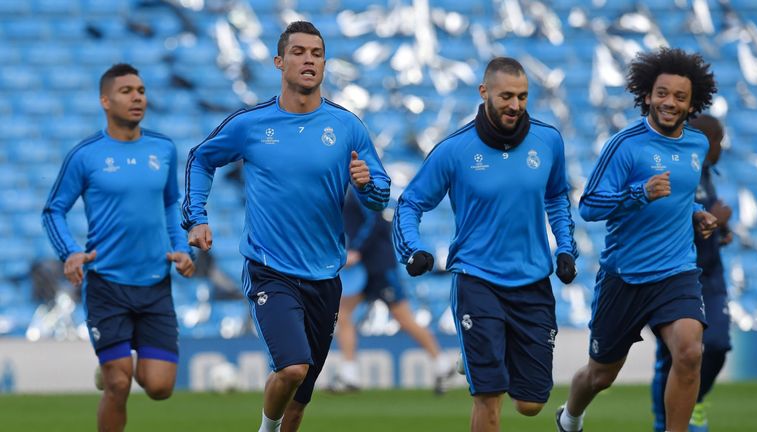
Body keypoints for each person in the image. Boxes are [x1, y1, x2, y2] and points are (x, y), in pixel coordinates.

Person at [181, 21, 390, 432]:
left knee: (298, 402)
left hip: (325, 275)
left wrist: (368, 185)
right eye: (299, 52)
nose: (309, 59)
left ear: (325, 64)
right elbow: (201, 158)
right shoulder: (252, 124)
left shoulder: (347, 127)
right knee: (292, 368)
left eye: (316, 52)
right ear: (280, 62)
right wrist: (197, 217)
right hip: (269, 269)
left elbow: (379, 195)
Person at [394, 57, 578, 432]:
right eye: (507, 96)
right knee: (489, 395)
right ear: (484, 92)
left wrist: (565, 248)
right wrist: (413, 248)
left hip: (532, 283)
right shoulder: (455, 150)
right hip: (477, 280)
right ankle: (481, 357)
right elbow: (410, 203)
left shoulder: (548, 141)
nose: (515, 105)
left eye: (523, 97)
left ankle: (479, 354)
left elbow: (557, 197)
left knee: (530, 404)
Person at [555, 48, 719, 432]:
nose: (670, 102)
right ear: (647, 94)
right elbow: (590, 206)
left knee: (690, 351)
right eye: (663, 93)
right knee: (599, 377)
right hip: (624, 276)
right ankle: (570, 417)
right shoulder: (625, 145)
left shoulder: (697, 145)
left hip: (676, 271)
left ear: (692, 102)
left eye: (680, 97)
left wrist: (696, 212)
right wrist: (639, 193)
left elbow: (682, 194)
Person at [41, 63, 195, 432]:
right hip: (107, 283)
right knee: (119, 384)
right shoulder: (86, 155)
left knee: (159, 387)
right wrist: (70, 252)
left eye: (141, 90)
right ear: (105, 101)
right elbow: (54, 210)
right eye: (126, 91)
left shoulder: (163, 148)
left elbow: (172, 202)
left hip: (155, 282)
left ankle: (115, 360)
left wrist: (181, 248)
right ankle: (114, 367)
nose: (137, 97)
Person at [651, 114, 732, 432]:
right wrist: (712, 216)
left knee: (717, 346)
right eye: (720, 140)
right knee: (674, 354)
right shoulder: (678, 172)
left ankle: (693, 402)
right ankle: (665, 421)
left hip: (710, 276)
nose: (722, 147)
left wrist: (721, 229)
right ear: (707, 140)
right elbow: (665, 224)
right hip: (675, 275)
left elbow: (704, 222)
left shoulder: (708, 174)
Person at [333, 192, 455, 394]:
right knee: (344, 315)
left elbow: (373, 222)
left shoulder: (360, 190)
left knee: (404, 318)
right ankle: (349, 374)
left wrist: (356, 249)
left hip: (379, 267)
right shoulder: (346, 191)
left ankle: (442, 363)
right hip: (363, 270)